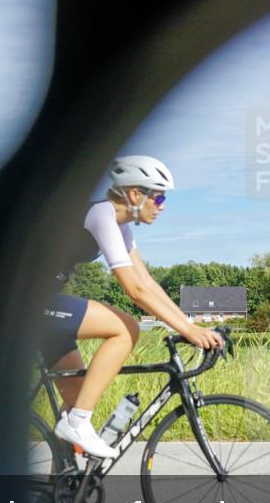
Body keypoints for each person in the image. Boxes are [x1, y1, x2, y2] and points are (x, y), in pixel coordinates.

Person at [41, 155, 224, 458]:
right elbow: (135, 290)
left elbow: (147, 282)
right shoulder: (101, 215)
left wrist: (190, 325)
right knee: (126, 328)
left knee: (76, 398)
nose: (162, 206)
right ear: (135, 194)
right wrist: (189, 331)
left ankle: (60, 481)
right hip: (31, 303)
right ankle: (79, 422)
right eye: (159, 197)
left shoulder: (121, 225)